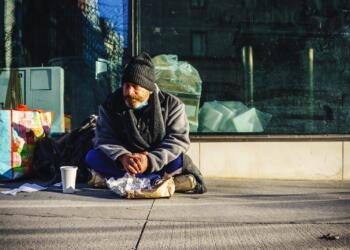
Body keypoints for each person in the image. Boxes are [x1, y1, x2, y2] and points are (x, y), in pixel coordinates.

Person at [85, 52, 206, 193]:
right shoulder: (111, 104)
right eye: (126, 85)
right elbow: (104, 138)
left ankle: (118, 181)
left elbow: (178, 140)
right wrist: (123, 157)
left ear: (149, 88)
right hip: (124, 163)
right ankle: (157, 182)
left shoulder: (172, 105)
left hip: (156, 160)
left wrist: (149, 160)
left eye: (135, 86)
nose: (129, 92)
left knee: (178, 160)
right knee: (92, 157)